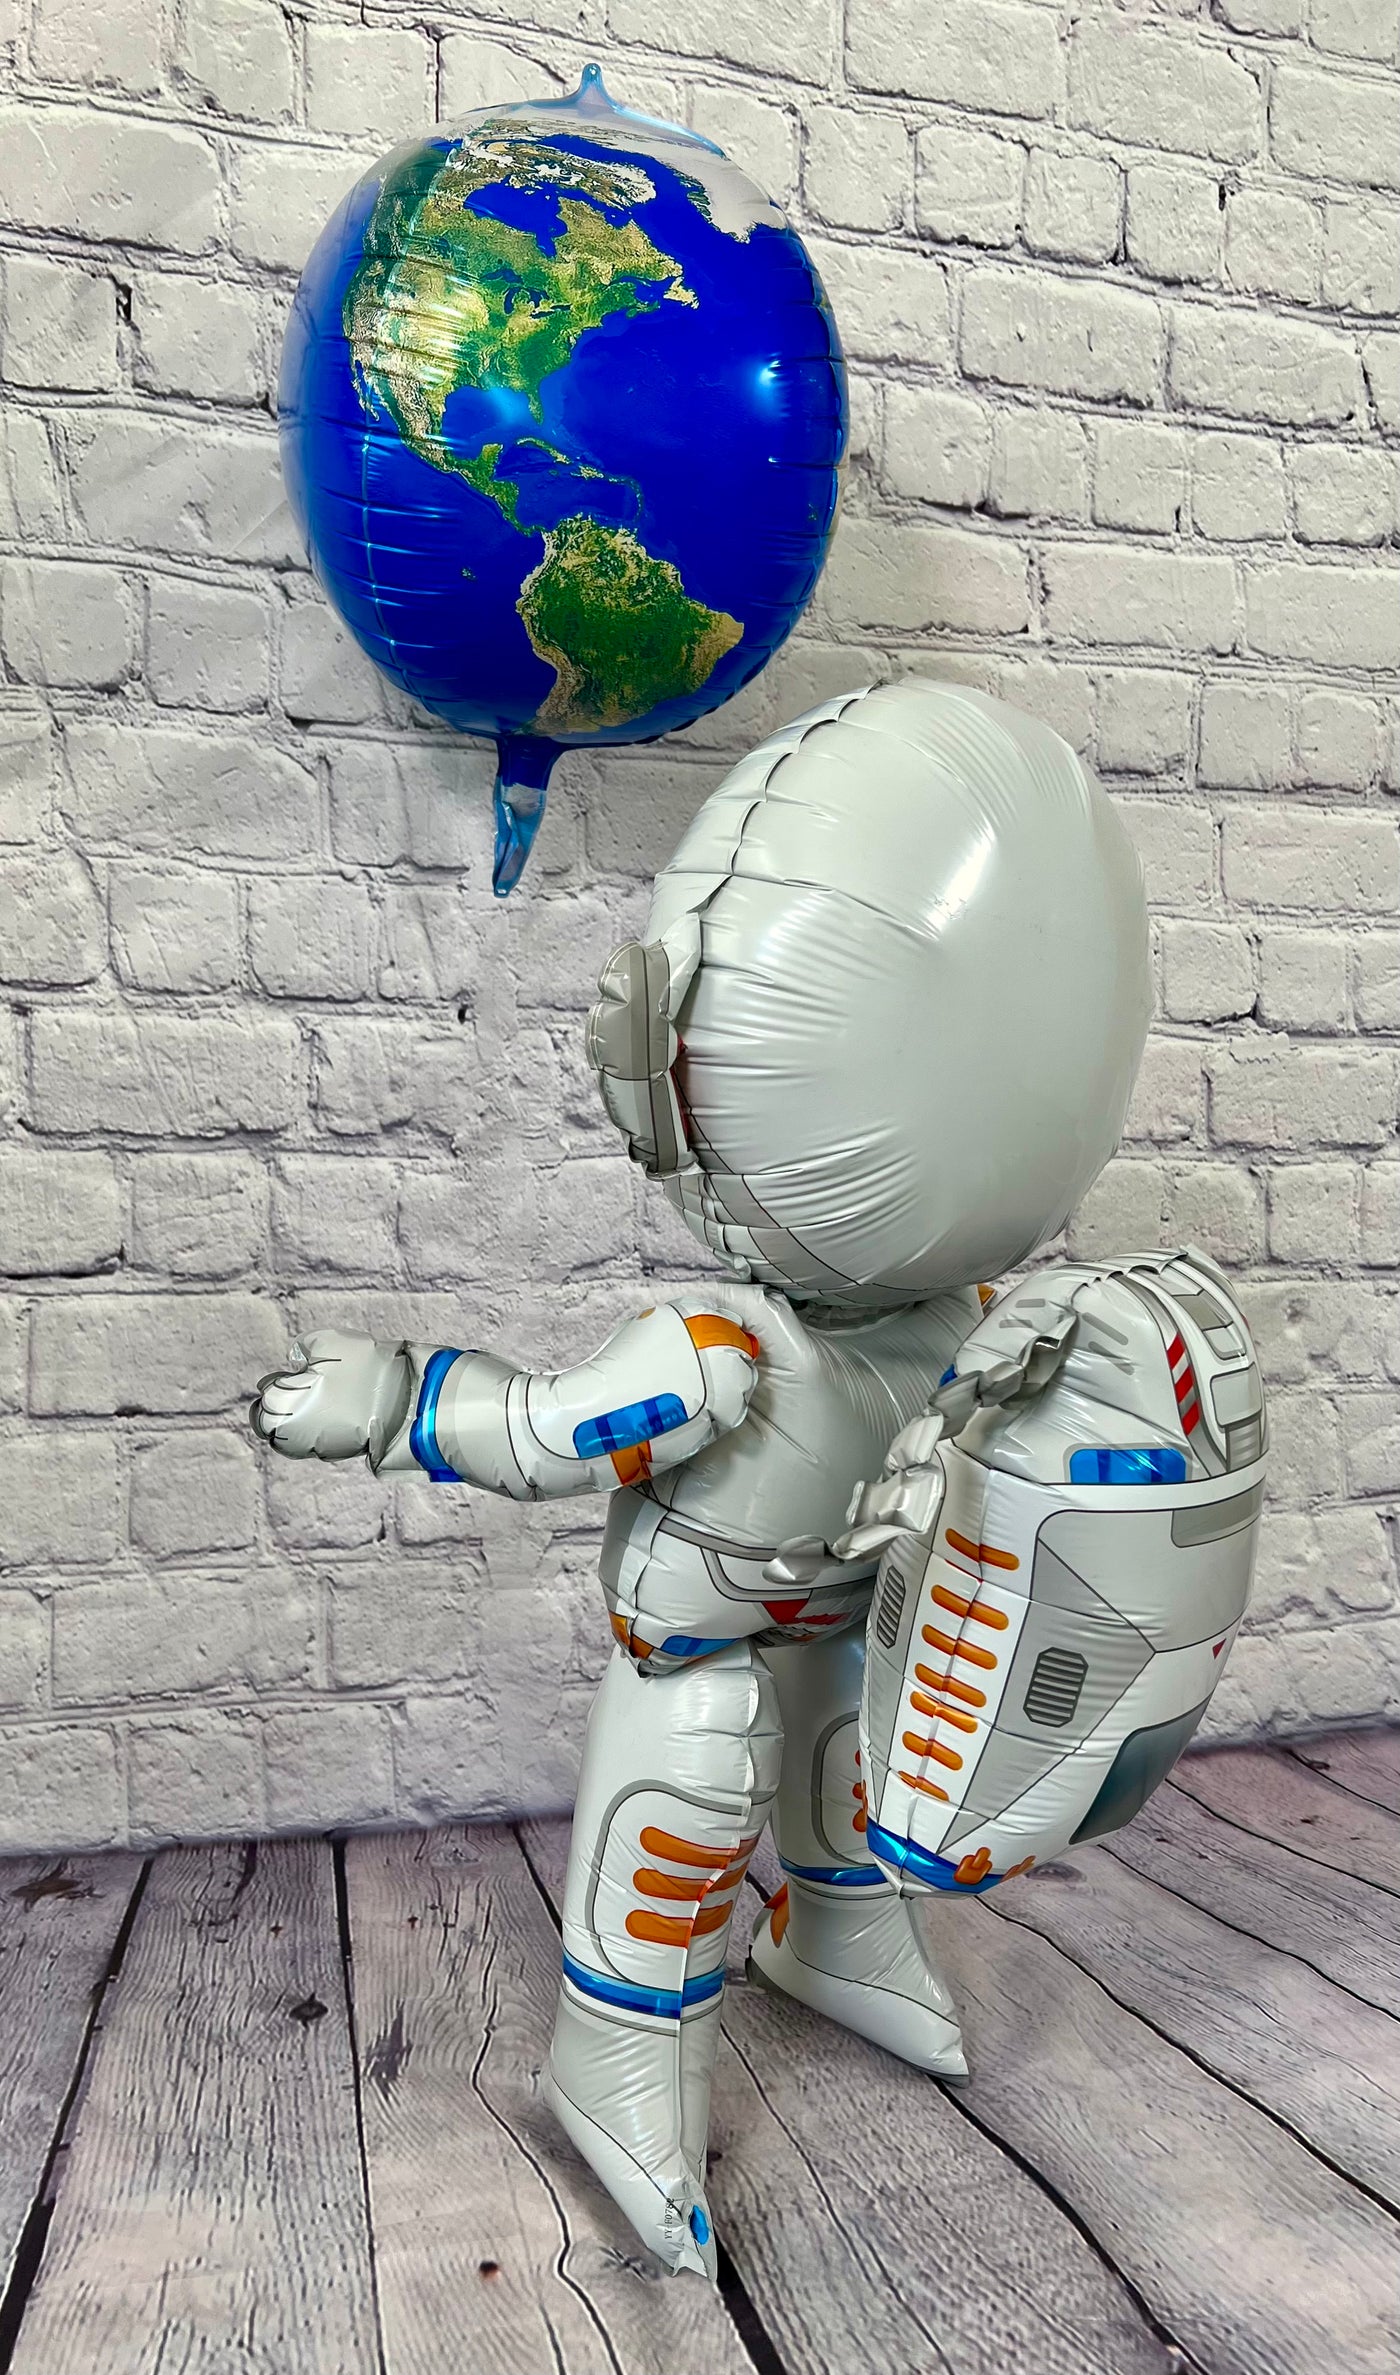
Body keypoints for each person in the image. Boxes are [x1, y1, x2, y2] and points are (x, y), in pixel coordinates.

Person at [250, 679, 1151, 2277]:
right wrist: (393, 1400)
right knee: (687, 1783)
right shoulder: (717, 1352)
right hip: (704, 1638)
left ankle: (841, 1932)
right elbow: (542, 1434)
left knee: (856, 1770)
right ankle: (616, 2048)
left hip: (847, 1611)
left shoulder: (967, 1321)